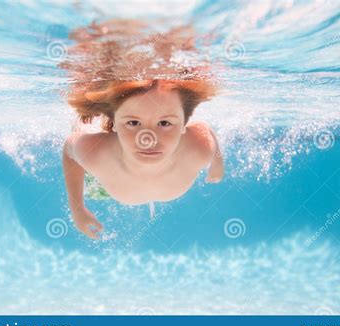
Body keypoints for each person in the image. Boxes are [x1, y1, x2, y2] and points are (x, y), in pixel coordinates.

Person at [61, 21, 224, 239]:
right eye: (133, 123)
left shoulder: (200, 147)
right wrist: (78, 208)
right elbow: (69, 151)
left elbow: (206, 131)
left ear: (185, 124)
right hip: (105, 181)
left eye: (165, 123)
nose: (148, 139)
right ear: (115, 124)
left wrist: (217, 164)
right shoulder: (96, 154)